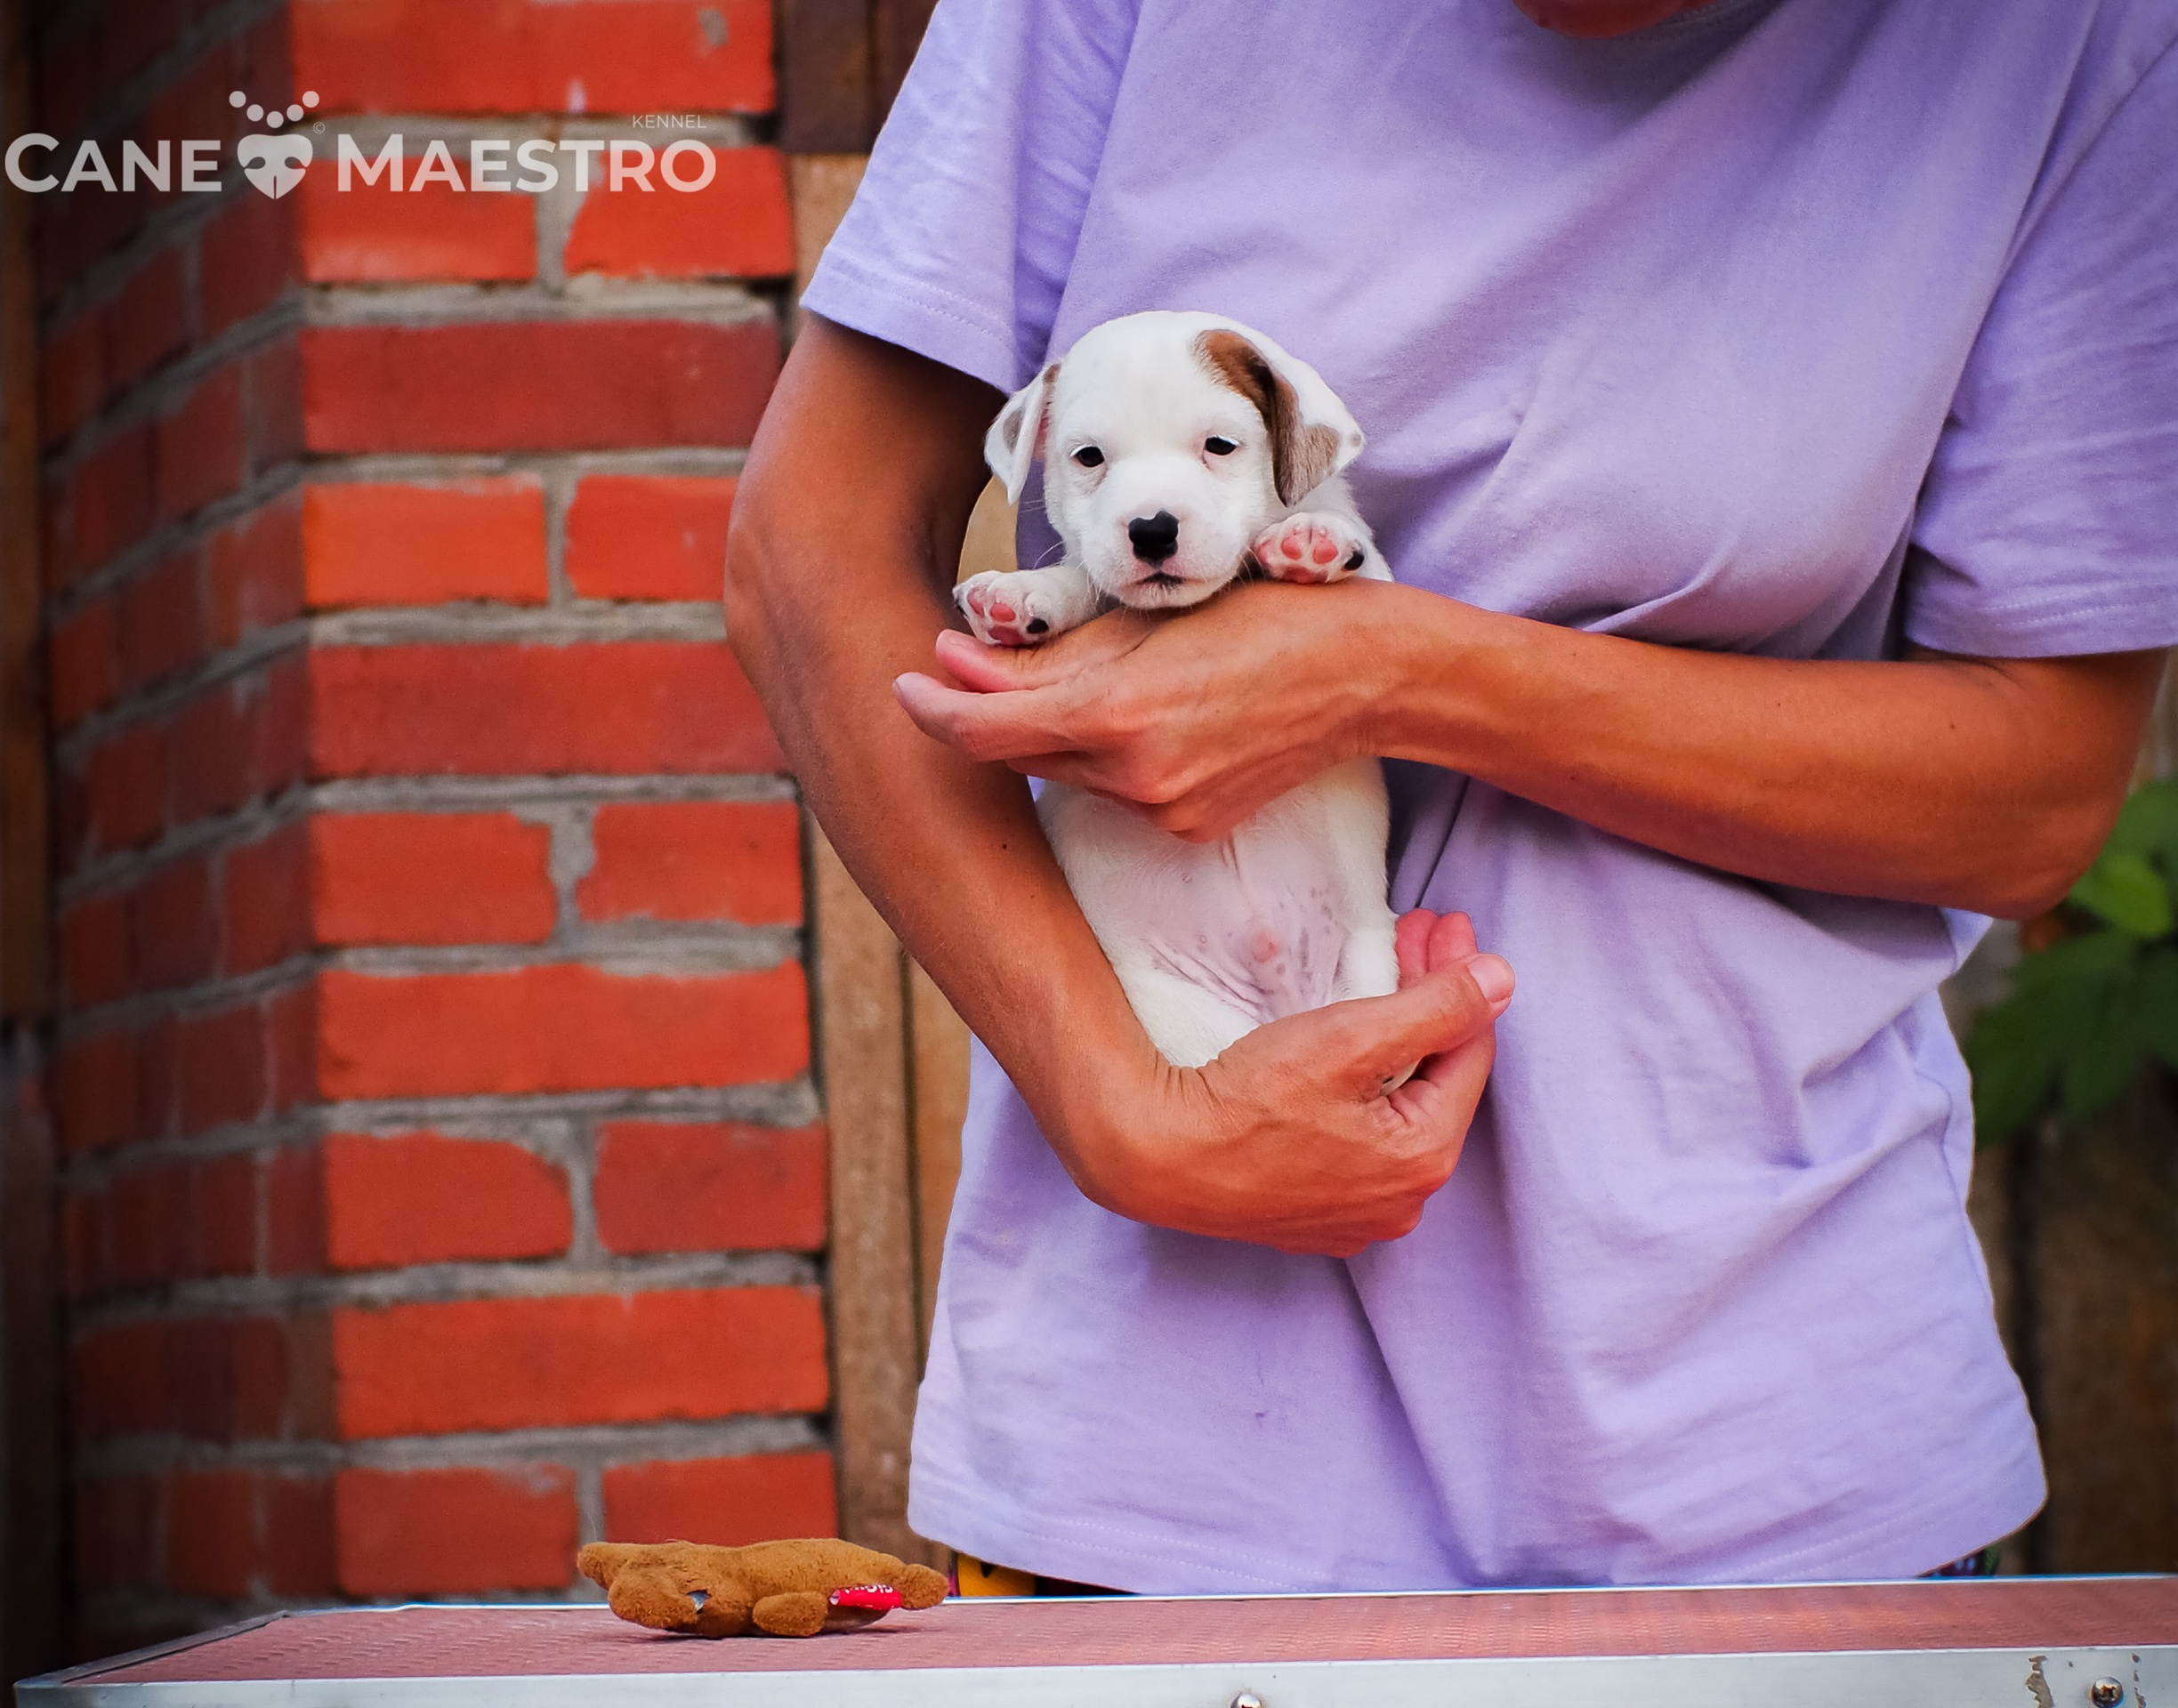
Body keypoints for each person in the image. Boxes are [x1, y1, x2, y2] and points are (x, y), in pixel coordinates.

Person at [727, 0, 2178, 1591]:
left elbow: (2034, 795)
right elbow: (817, 551)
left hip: (1760, 1425)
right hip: (1167, 1427)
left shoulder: (2080, 42)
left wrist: (1397, 675)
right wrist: (1127, 1107)